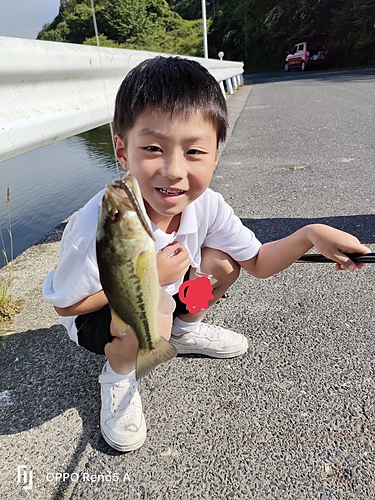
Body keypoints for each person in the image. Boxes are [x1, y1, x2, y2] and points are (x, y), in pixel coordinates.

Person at [43, 56, 370, 453]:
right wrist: (150, 278)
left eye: (194, 152)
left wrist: (310, 235)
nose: (174, 171)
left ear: (217, 153)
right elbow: (68, 306)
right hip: (97, 310)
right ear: (122, 150)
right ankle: (118, 374)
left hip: (161, 286)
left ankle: (185, 330)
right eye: (152, 147)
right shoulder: (101, 222)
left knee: (222, 265)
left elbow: (259, 263)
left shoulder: (208, 205)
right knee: (150, 332)